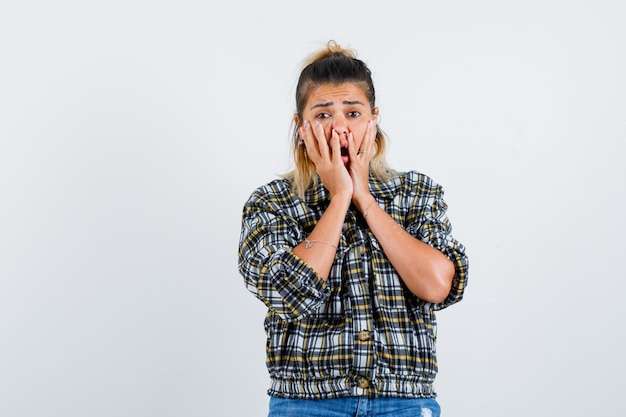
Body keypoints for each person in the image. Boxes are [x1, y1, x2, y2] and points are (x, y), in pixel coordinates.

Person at [238, 40, 468, 417]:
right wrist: (340, 195)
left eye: (353, 113)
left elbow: (437, 285)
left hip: (404, 404)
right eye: (324, 115)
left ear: (373, 120)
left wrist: (365, 198)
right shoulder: (271, 203)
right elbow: (290, 295)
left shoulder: (416, 193)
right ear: (301, 126)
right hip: (306, 405)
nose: (339, 129)